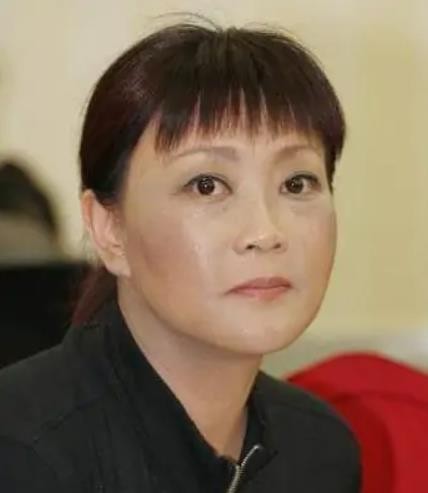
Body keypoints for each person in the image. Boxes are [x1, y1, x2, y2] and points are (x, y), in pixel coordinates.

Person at [0, 20, 361, 492]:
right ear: (109, 229)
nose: (265, 232)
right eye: (206, 185)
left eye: (297, 183)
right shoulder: (22, 450)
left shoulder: (319, 451)